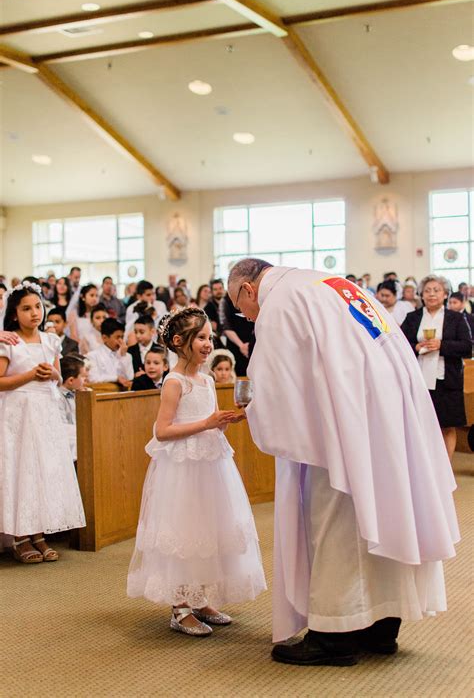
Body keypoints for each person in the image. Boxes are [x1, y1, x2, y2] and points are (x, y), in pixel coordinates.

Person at [227, 258, 459, 666]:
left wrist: (254, 408)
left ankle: (334, 636)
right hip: (389, 411)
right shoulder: (331, 283)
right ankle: (382, 625)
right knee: (389, 507)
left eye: (241, 307)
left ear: (248, 288)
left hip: (347, 422)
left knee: (335, 517)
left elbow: (274, 382)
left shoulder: (281, 299)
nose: (247, 317)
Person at [127, 308, 266, 636]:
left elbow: (210, 421)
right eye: (201, 338)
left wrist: (226, 421)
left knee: (209, 529)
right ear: (179, 342)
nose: (208, 343)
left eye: (209, 337)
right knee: (185, 530)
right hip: (182, 469)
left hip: (211, 465)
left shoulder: (205, 380)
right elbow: (162, 431)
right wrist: (206, 423)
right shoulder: (173, 382)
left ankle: (200, 597)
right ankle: (180, 606)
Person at [0, 283, 85, 563]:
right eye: (26, 308)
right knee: (22, 469)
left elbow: (59, 378)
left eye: (37, 307)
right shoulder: (8, 341)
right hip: (18, 412)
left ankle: (39, 534)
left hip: (45, 411)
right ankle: (20, 537)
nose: (34, 313)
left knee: (42, 470)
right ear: (14, 314)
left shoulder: (50, 340)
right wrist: (29, 376)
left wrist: (51, 375)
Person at [401, 275, 472, 461]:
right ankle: (425, 465)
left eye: (436, 290)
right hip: (418, 380)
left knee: (447, 425)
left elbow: (467, 347)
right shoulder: (412, 317)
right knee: (420, 424)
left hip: (446, 379)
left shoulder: (455, 318)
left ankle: (445, 468)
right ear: (421, 295)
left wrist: (442, 345)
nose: (432, 294)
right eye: (427, 291)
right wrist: (415, 347)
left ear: (445, 294)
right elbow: (400, 345)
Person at [86, 318, 133, 387]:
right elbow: (93, 378)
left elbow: (129, 378)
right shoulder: (92, 356)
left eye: (122, 337)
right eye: (117, 337)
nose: (121, 341)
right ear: (104, 338)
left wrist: (123, 356)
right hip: (102, 393)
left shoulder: (127, 356)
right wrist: (116, 378)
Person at [58, 354, 88, 460]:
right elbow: (61, 426)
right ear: (71, 380)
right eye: (83, 377)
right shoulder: (57, 397)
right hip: (64, 437)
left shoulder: (77, 393)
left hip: (75, 432)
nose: (86, 379)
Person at [219, 291, 254, 376]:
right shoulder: (225, 301)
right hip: (235, 345)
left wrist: (251, 343)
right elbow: (226, 326)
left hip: (252, 343)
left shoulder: (252, 297)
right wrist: (241, 345)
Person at [204, 279, 226, 349]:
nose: (218, 291)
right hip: (218, 338)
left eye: (220, 288)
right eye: (215, 289)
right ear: (212, 291)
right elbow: (213, 326)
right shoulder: (209, 307)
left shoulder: (230, 303)